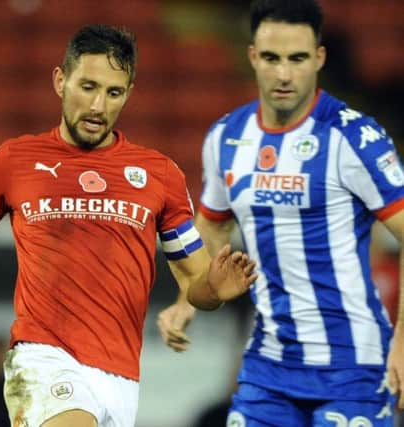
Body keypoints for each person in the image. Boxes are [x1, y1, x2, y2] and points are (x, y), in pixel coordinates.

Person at [0, 24, 257, 427]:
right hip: (43, 357)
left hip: (120, 376)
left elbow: (195, 283)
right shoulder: (13, 161)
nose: (98, 105)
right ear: (60, 81)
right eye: (88, 86)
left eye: (114, 92)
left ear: (129, 92)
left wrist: (216, 291)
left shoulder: (160, 176)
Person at [165, 0, 404, 425]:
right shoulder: (227, 137)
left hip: (354, 368)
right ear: (253, 56)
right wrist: (187, 298)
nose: (284, 74)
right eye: (272, 59)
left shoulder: (354, 137)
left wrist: (403, 340)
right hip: (268, 366)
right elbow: (213, 228)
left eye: (297, 59)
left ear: (319, 58)